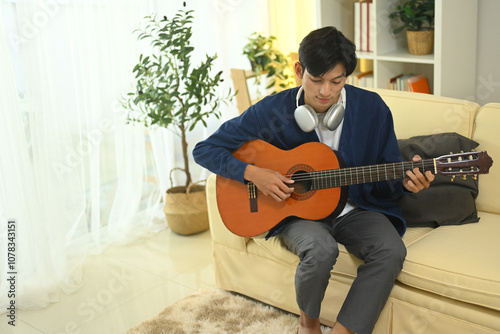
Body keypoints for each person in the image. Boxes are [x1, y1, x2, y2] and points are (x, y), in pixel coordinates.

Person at [193, 26, 434, 334]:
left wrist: (406, 182)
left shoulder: (372, 109)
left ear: (347, 76)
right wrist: (253, 174)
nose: (325, 92)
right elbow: (206, 149)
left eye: (336, 81)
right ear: (298, 70)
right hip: (296, 212)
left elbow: (386, 173)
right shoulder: (272, 110)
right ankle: (308, 322)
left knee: (392, 250)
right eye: (316, 79)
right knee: (322, 249)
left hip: (355, 208)